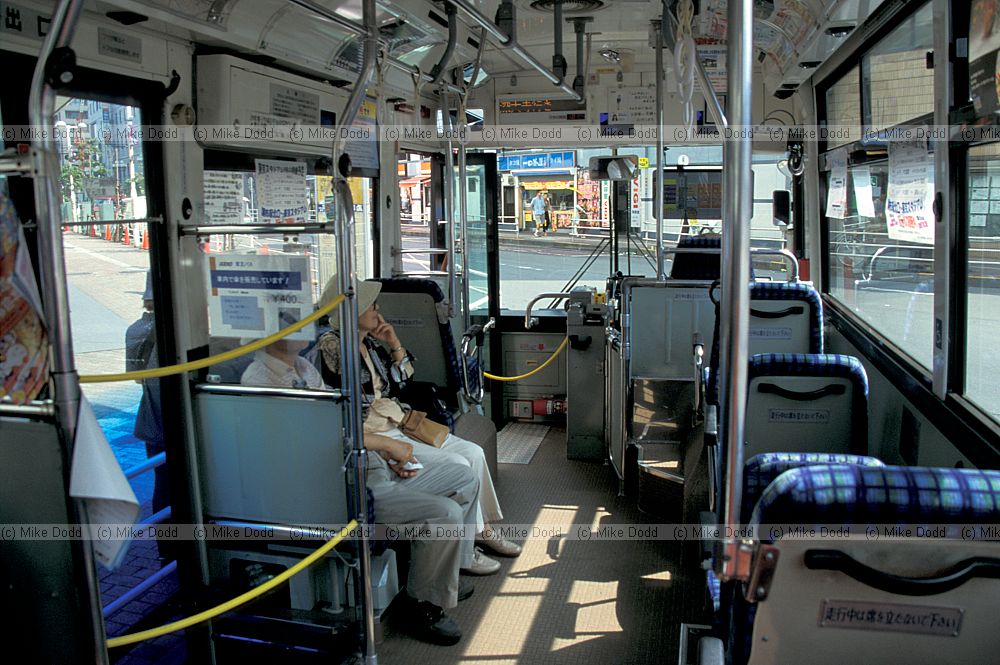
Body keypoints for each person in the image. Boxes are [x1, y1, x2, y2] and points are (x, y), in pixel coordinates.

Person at [241, 331, 482, 646]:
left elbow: (339, 422)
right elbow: (306, 441)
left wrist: (383, 452)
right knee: (445, 514)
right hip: (336, 484)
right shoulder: (259, 379)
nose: (303, 329)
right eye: (291, 322)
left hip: (366, 464)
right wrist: (382, 443)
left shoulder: (302, 368)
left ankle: (439, 577)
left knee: (464, 478)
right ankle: (422, 603)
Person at [312, 280, 523, 568]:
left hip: (400, 422)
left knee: (473, 452)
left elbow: (403, 382)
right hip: (377, 432)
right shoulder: (333, 348)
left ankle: (481, 530)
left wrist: (394, 343)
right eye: (371, 306)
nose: (378, 310)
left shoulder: (371, 344)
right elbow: (345, 407)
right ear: (353, 311)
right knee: (460, 466)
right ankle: (465, 550)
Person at [125, 273, 170, 558]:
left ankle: (166, 547)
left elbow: (136, 378)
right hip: (176, 419)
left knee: (161, 484)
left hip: (151, 418)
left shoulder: (134, 330)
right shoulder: (177, 331)